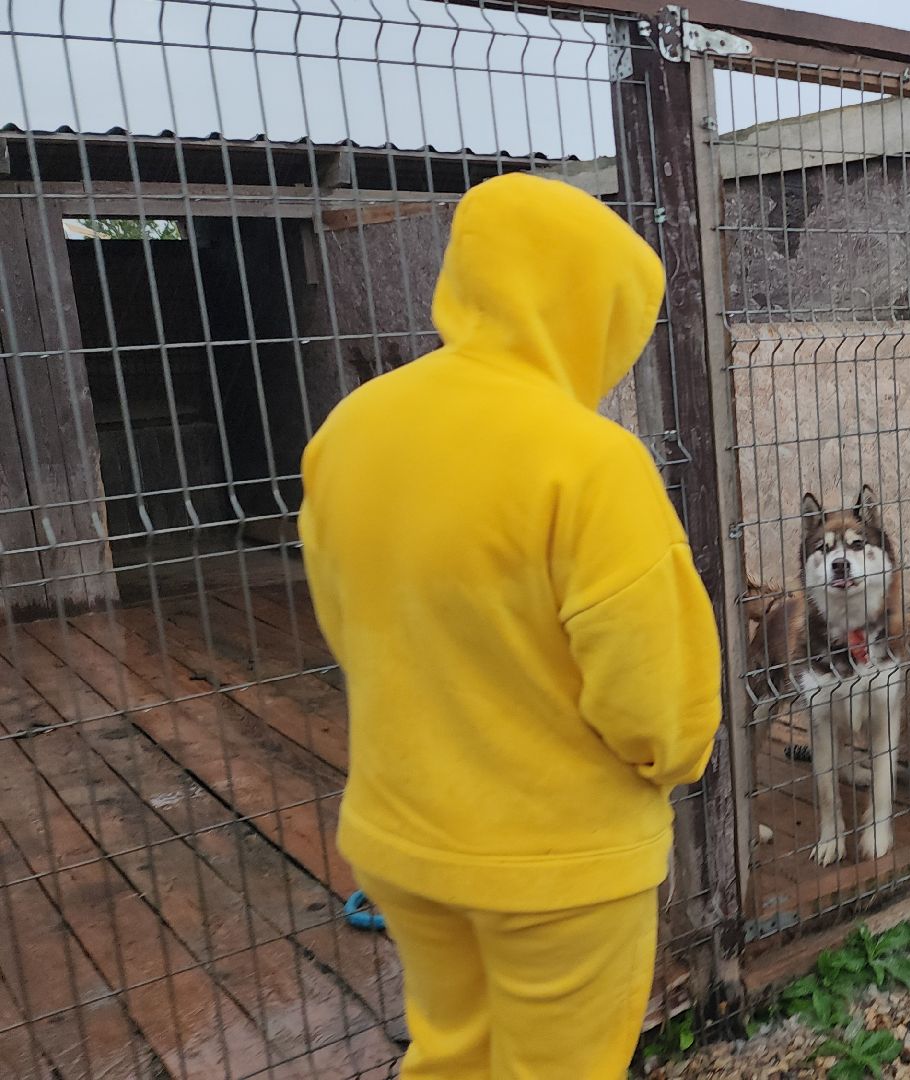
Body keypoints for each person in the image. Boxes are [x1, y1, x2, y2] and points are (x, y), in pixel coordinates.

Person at [299, 172, 723, 1079]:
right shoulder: (591, 460)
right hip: (561, 865)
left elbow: (346, 620)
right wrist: (673, 761)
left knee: (451, 1055)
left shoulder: (350, 430)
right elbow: (659, 708)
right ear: (593, 310)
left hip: (403, 839)